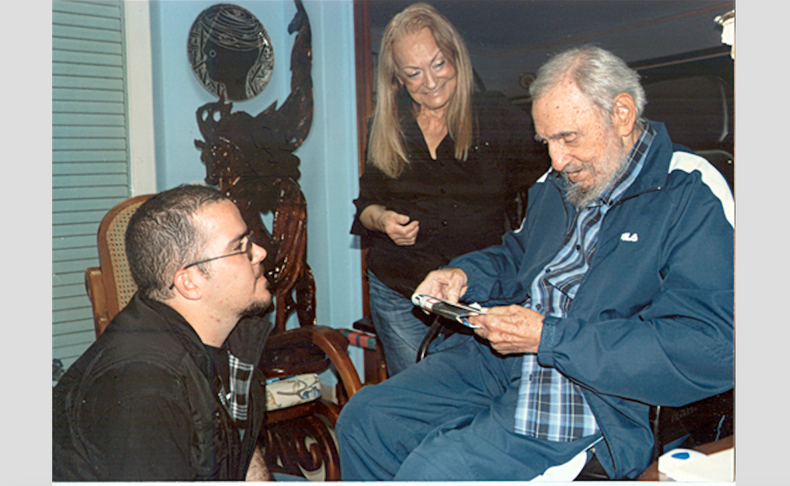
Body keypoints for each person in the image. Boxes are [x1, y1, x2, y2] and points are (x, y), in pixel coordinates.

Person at [336, 45, 734, 480]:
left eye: (569, 138)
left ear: (621, 114)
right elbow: (519, 254)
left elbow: (710, 346)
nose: (556, 161)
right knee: (366, 419)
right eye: (547, 142)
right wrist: (465, 273)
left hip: (594, 389)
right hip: (503, 358)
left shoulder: (691, 191)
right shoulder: (560, 181)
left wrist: (550, 338)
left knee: (435, 469)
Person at [352, 3, 547, 375]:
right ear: (398, 79)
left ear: (456, 57)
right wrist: (383, 220)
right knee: (415, 399)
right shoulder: (386, 126)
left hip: (476, 293)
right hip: (400, 291)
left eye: (438, 64)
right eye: (413, 73)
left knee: (471, 398)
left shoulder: (497, 116)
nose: (430, 82)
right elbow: (366, 205)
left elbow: (548, 184)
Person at [53, 184, 274, 481]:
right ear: (189, 282)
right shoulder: (143, 388)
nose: (260, 252)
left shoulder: (232, 335)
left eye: (251, 240)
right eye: (239, 247)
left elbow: (239, 446)